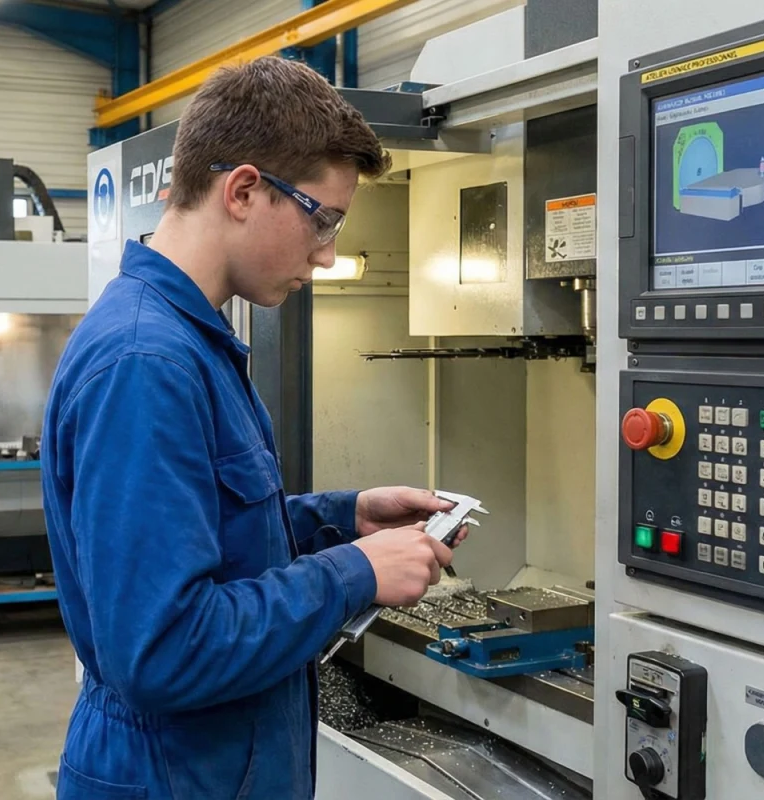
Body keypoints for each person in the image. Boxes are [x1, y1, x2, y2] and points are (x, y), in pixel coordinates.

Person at [41, 57, 468, 799]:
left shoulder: (185, 342)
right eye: (323, 217)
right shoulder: (148, 362)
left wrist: (344, 519)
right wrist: (357, 572)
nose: (329, 251)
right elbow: (165, 647)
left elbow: (207, 535)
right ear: (243, 190)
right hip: (173, 774)